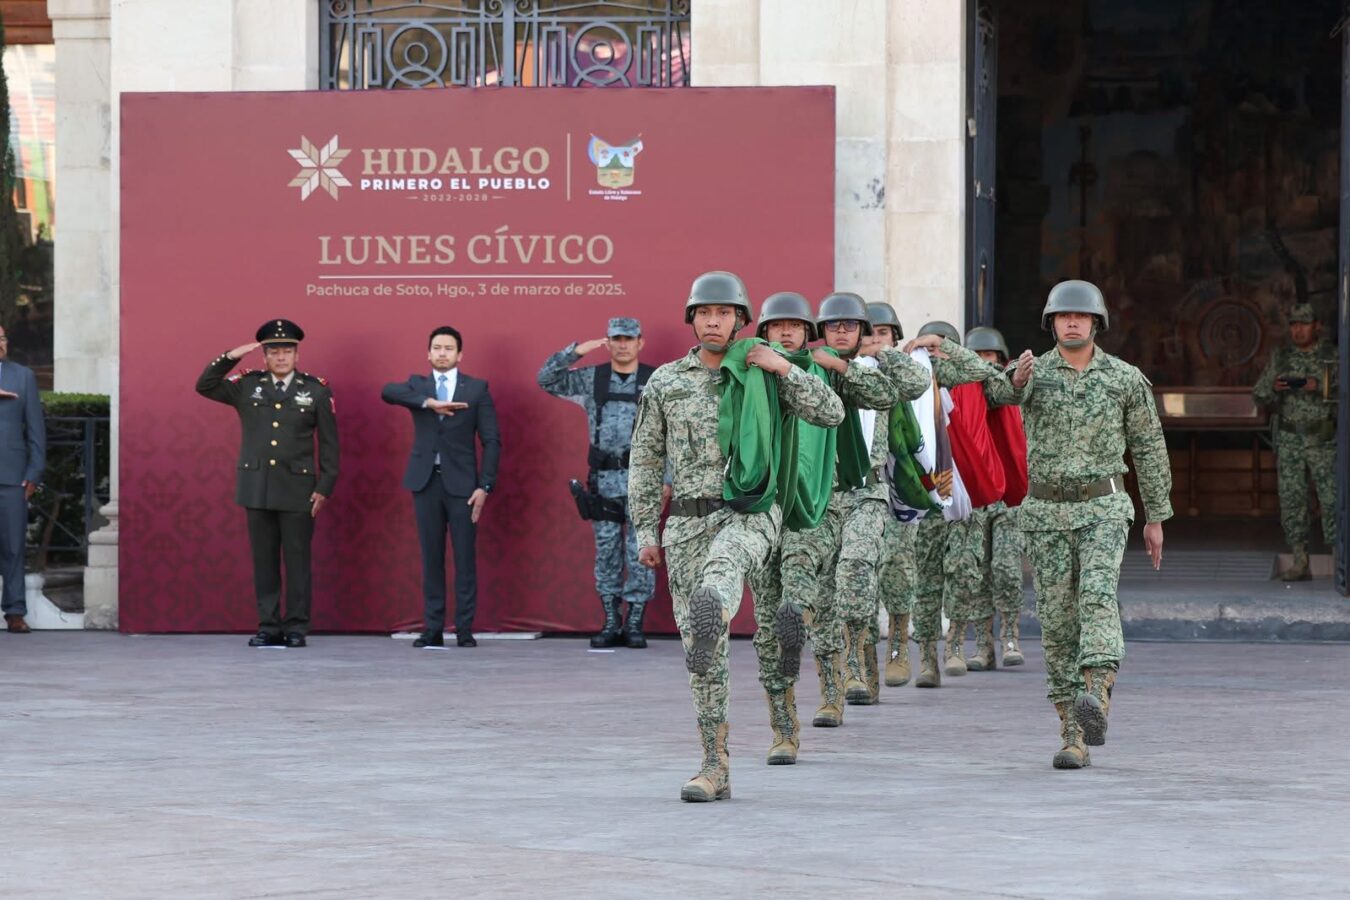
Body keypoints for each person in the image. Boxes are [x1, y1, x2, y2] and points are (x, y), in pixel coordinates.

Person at [628, 271, 844, 802]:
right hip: (684, 523)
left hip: (750, 511)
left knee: (722, 577)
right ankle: (714, 765)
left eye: (724, 313)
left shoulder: (762, 368)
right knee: (702, 653)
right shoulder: (666, 382)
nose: (713, 321)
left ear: (741, 320)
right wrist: (643, 530)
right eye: (704, 313)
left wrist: (782, 369)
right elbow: (645, 459)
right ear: (692, 319)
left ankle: (719, 606)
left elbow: (831, 411)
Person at [1009, 279, 1171, 769]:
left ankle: (1097, 693)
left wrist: (1156, 516)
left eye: (1081, 316)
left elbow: (1148, 447)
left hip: (1102, 508)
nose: (1073, 321)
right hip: (1046, 513)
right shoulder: (1030, 374)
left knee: (1097, 595)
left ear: (1096, 323)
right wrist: (1013, 381)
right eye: (1063, 316)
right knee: (1057, 622)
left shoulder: (1124, 379)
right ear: (1051, 323)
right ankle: (1071, 733)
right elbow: (996, 396)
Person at [196, 319, 339, 648]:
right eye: (274, 352)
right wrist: (231, 356)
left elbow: (331, 444)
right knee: (264, 561)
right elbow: (204, 385)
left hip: (299, 489)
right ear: (264, 357)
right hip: (257, 485)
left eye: (287, 351)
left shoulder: (315, 390)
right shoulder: (247, 386)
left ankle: (297, 628)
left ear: (297, 355)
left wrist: (325, 486)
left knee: (297, 560)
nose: (281, 357)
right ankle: (269, 626)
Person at [908, 321, 1017, 687]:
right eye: (931, 349)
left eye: (941, 349)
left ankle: (954, 644)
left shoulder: (974, 382)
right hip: (926, 494)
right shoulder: (913, 380)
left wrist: (950, 350)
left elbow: (986, 371)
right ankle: (926, 658)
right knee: (926, 580)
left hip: (964, 493)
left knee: (964, 572)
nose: (935, 355)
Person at [537, 317, 657, 649]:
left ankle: (634, 622)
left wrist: (667, 480)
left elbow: (673, 433)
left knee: (640, 553)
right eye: (616, 338)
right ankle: (610, 620)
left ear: (639, 342)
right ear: (608, 341)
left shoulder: (655, 381)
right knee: (606, 553)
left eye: (628, 339)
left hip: (642, 482)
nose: (622, 344)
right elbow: (547, 380)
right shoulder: (593, 379)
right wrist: (574, 353)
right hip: (603, 483)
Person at [382, 326, 501, 649]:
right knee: (431, 558)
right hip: (425, 482)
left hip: (463, 486)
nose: (443, 353)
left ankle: (464, 629)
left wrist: (485, 485)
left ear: (459, 354)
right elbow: (387, 392)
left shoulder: (476, 388)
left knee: (464, 559)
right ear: (428, 353)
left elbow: (491, 441)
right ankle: (432, 628)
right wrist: (428, 403)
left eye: (449, 348)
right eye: (437, 347)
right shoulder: (417, 386)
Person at [959, 325, 1029, 671]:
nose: (985, 363)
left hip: (1007, 498)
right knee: (975, 573)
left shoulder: (1008, 391)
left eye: (991, 357)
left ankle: (1011, 636)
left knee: (1006, 569)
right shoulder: (962, 393)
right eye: (977, 356)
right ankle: (984, 645)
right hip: (974, 496)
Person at [1252, 303, 1338, 581]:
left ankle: (1340, 561)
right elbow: (1259, 395)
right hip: (1290, 439)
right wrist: (1273, 387)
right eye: (1293, 324)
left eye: (1304, 323)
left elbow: (1342, 391)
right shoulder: (1282, 357)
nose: (1298, 330)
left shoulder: (1331, 355)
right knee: (1292, 500)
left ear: (1317, 326)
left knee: (1331, 499)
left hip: (1322, 439)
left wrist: (1320, 386)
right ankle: (1300, 561)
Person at [0, 324, 45, 634]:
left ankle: (15, 611)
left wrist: (33, 472)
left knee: (14, 547)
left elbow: (35, 430)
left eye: (1, 338)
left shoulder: (23, 376)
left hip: (12, 475)